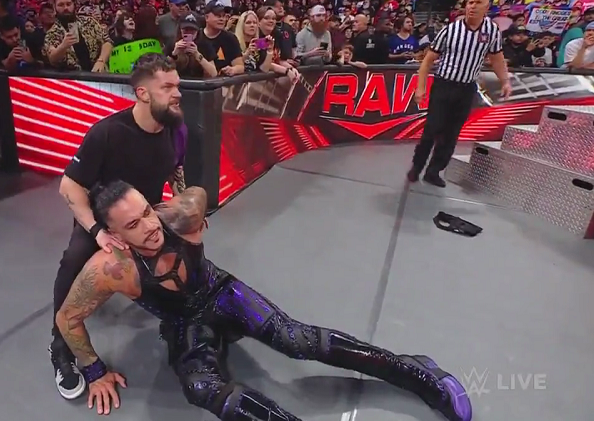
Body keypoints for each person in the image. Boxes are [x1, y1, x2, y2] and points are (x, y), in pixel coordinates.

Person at [56, 180, 472, 421]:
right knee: (200, 388)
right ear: (114, 236)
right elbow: (67, 318)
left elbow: (197, 194)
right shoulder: (109, 268)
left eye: (147, 211)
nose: (149, 226)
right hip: (185, 323)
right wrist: (94, 371)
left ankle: (417, 371)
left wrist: (179, 215)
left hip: (222, 292)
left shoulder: (174, 219)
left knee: (296, 339)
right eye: (133, 224)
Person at [49, 53, 188, 400]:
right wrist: (97, 231)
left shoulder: (176, 128)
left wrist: (182, 206)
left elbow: (175, 170)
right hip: (104, 221)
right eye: (167, 87)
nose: (177, 93)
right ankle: (60, 348)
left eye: (177, 86)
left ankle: (183, 322)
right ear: (143, 93)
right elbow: (69, 187)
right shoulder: (107, 133)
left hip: (147, 216)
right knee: (74, 259)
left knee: (187, 254)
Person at [409, 0, 512, 187]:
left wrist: (505, 81)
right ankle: (417, 166)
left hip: (466, 88)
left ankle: (434, 171)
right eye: (470, 2)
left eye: (477, 3)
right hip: (444, 85)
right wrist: (420, 87)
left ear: (487, 7)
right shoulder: (450, 30)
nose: (472, 6)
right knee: (432, 129)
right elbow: (428, 60)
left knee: (451, 134)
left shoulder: (491, 31)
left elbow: (497, 58)